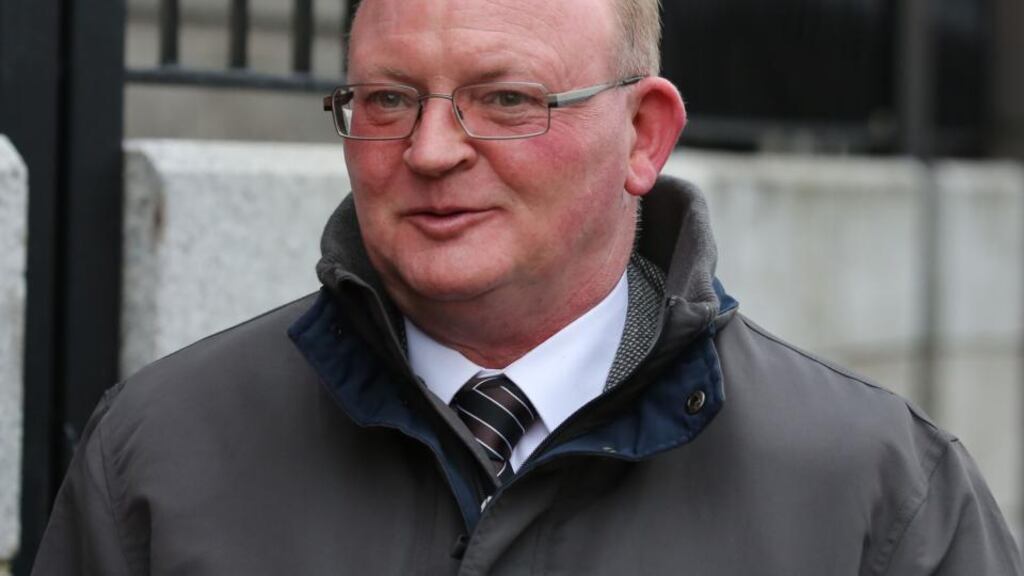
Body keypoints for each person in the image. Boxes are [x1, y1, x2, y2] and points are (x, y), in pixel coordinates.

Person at [32, 0, 1023, 573]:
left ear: (643, 136)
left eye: (504, 100)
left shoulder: (878, 496)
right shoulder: (158, 458)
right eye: (387, 99)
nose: (427, 151)